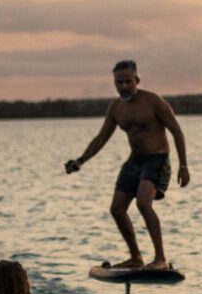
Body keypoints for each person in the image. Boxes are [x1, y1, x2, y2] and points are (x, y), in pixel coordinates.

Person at [66, 60, 190, 270]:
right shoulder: (116, 108)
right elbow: (101, 139)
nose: (123, 86)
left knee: (143, 203)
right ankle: (135, 257)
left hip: (156, 159)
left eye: (128, 82)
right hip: (135, 161)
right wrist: (80, 161)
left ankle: (160, 259)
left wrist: (183, 166)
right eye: (119, 82)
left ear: (137, 80)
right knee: (116, 208)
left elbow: (176, 130)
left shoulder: (153, 102)